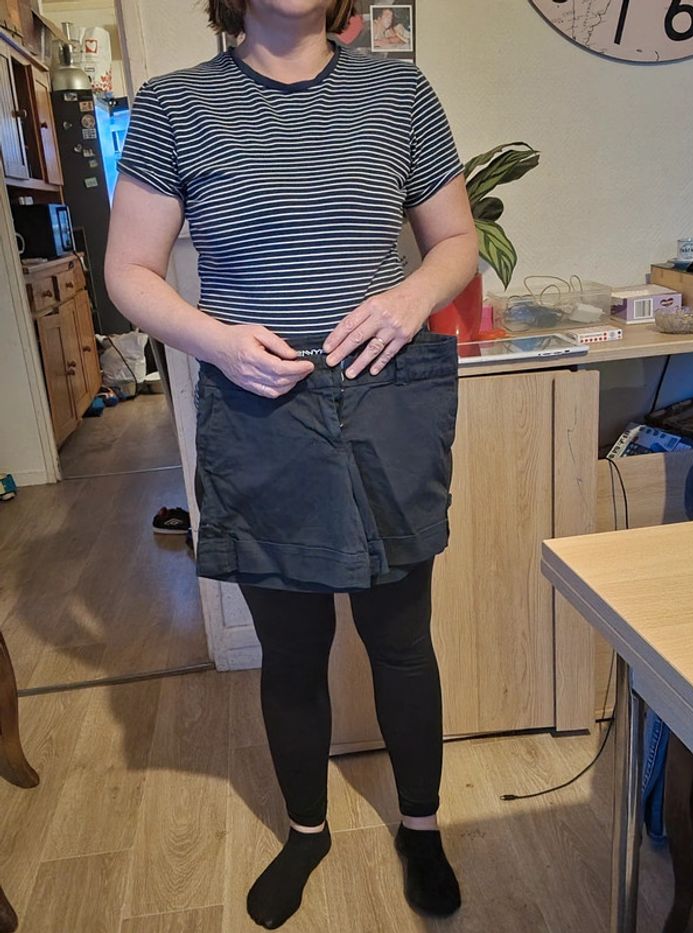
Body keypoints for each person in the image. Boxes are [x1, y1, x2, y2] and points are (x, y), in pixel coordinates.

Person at [105, 0, 477, 927]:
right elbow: (129, 270)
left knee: (402, 640)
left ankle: (421, 827)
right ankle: (307, 830)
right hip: (259, 411)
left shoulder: (399, 91)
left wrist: (407, 301)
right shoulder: (175, 104)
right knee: (293, 649)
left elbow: (458, 240)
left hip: (384, 401)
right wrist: (219, 341)